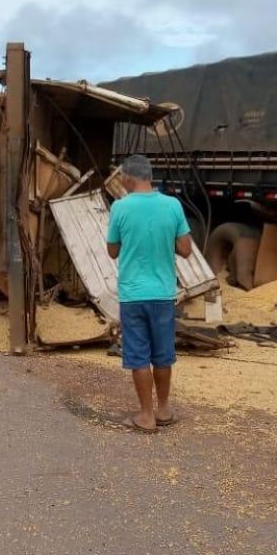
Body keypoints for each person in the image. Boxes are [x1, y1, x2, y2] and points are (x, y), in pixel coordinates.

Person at [106, 154, 193, 433]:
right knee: (163, 354)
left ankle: (146, 415)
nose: (120, 180)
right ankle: (164, 409)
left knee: (139, 356)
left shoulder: (120, 208)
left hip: (133, 294)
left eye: (121, 176)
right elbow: (186, 249)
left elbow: (112, 251)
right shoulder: (172, 205)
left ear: (129, 177)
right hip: (163, 294)